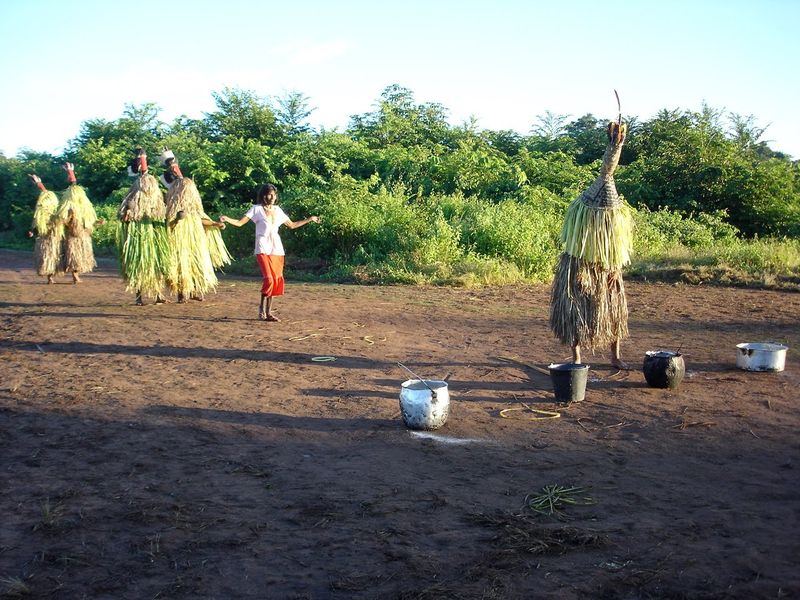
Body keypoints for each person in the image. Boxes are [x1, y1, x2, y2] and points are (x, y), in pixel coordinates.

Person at [549, 117, 633, 369]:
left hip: (607, 267)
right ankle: (576, 357)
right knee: (574, 311)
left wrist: (612, 271)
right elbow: (574, 244)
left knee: (614, 311)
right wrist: (581, 271)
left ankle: (615, 356)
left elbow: (616, 250)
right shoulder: (582, 213)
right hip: (578, 265)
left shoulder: (614, 218)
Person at [220, 183, 320, 321]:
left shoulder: (278, 210)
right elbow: (239, 222)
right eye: (268, 194)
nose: (271, 197)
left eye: (273, 194)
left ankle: (269, 312)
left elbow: (292, 225)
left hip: (276, 249)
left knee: (276, 279)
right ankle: (261, 309)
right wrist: (227, 219)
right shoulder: (256, 209)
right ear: (263, 195)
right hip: (262, 247)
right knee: (269, 278)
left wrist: (310, 219)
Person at [159, 149, 227, 303]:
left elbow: (202, 220)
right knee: (181, 264)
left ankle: (195, 290)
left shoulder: (195, 210)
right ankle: (182, 293)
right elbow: (169, 225)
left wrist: (215, 224)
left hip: (195, 240)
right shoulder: (171, 209)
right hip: (179, 241)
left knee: (197, 262)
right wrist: (177, 219)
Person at [117, 148, 170, 305]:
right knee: (138, 264)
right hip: (137, 235)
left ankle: (158, 295)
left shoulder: (157, 200)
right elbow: (122, 217)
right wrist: (128, 213)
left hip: (154, 236)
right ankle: (139, 297)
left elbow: (162, 215)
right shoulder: (131, 196)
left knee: (156, 264)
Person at [54, 162, 103, 284]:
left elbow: (89, 219)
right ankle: (75, 275)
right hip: (73, 235)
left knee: (79, 256)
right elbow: (62, 219)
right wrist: (66, 221)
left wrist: (97, 222)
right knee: (73, 256)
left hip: (83, 235)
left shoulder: (84, 207)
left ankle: (76, 274)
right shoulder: (68, 206)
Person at [28, 174, 63, 284]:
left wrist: (39, 183)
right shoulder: (41, 214)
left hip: (55, 237)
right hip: (44, 239)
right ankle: (49, 276)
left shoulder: (56, 212)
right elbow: (35, 222)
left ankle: (51, 275)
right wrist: (32, 231)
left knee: (55, 256)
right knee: (47, 257)